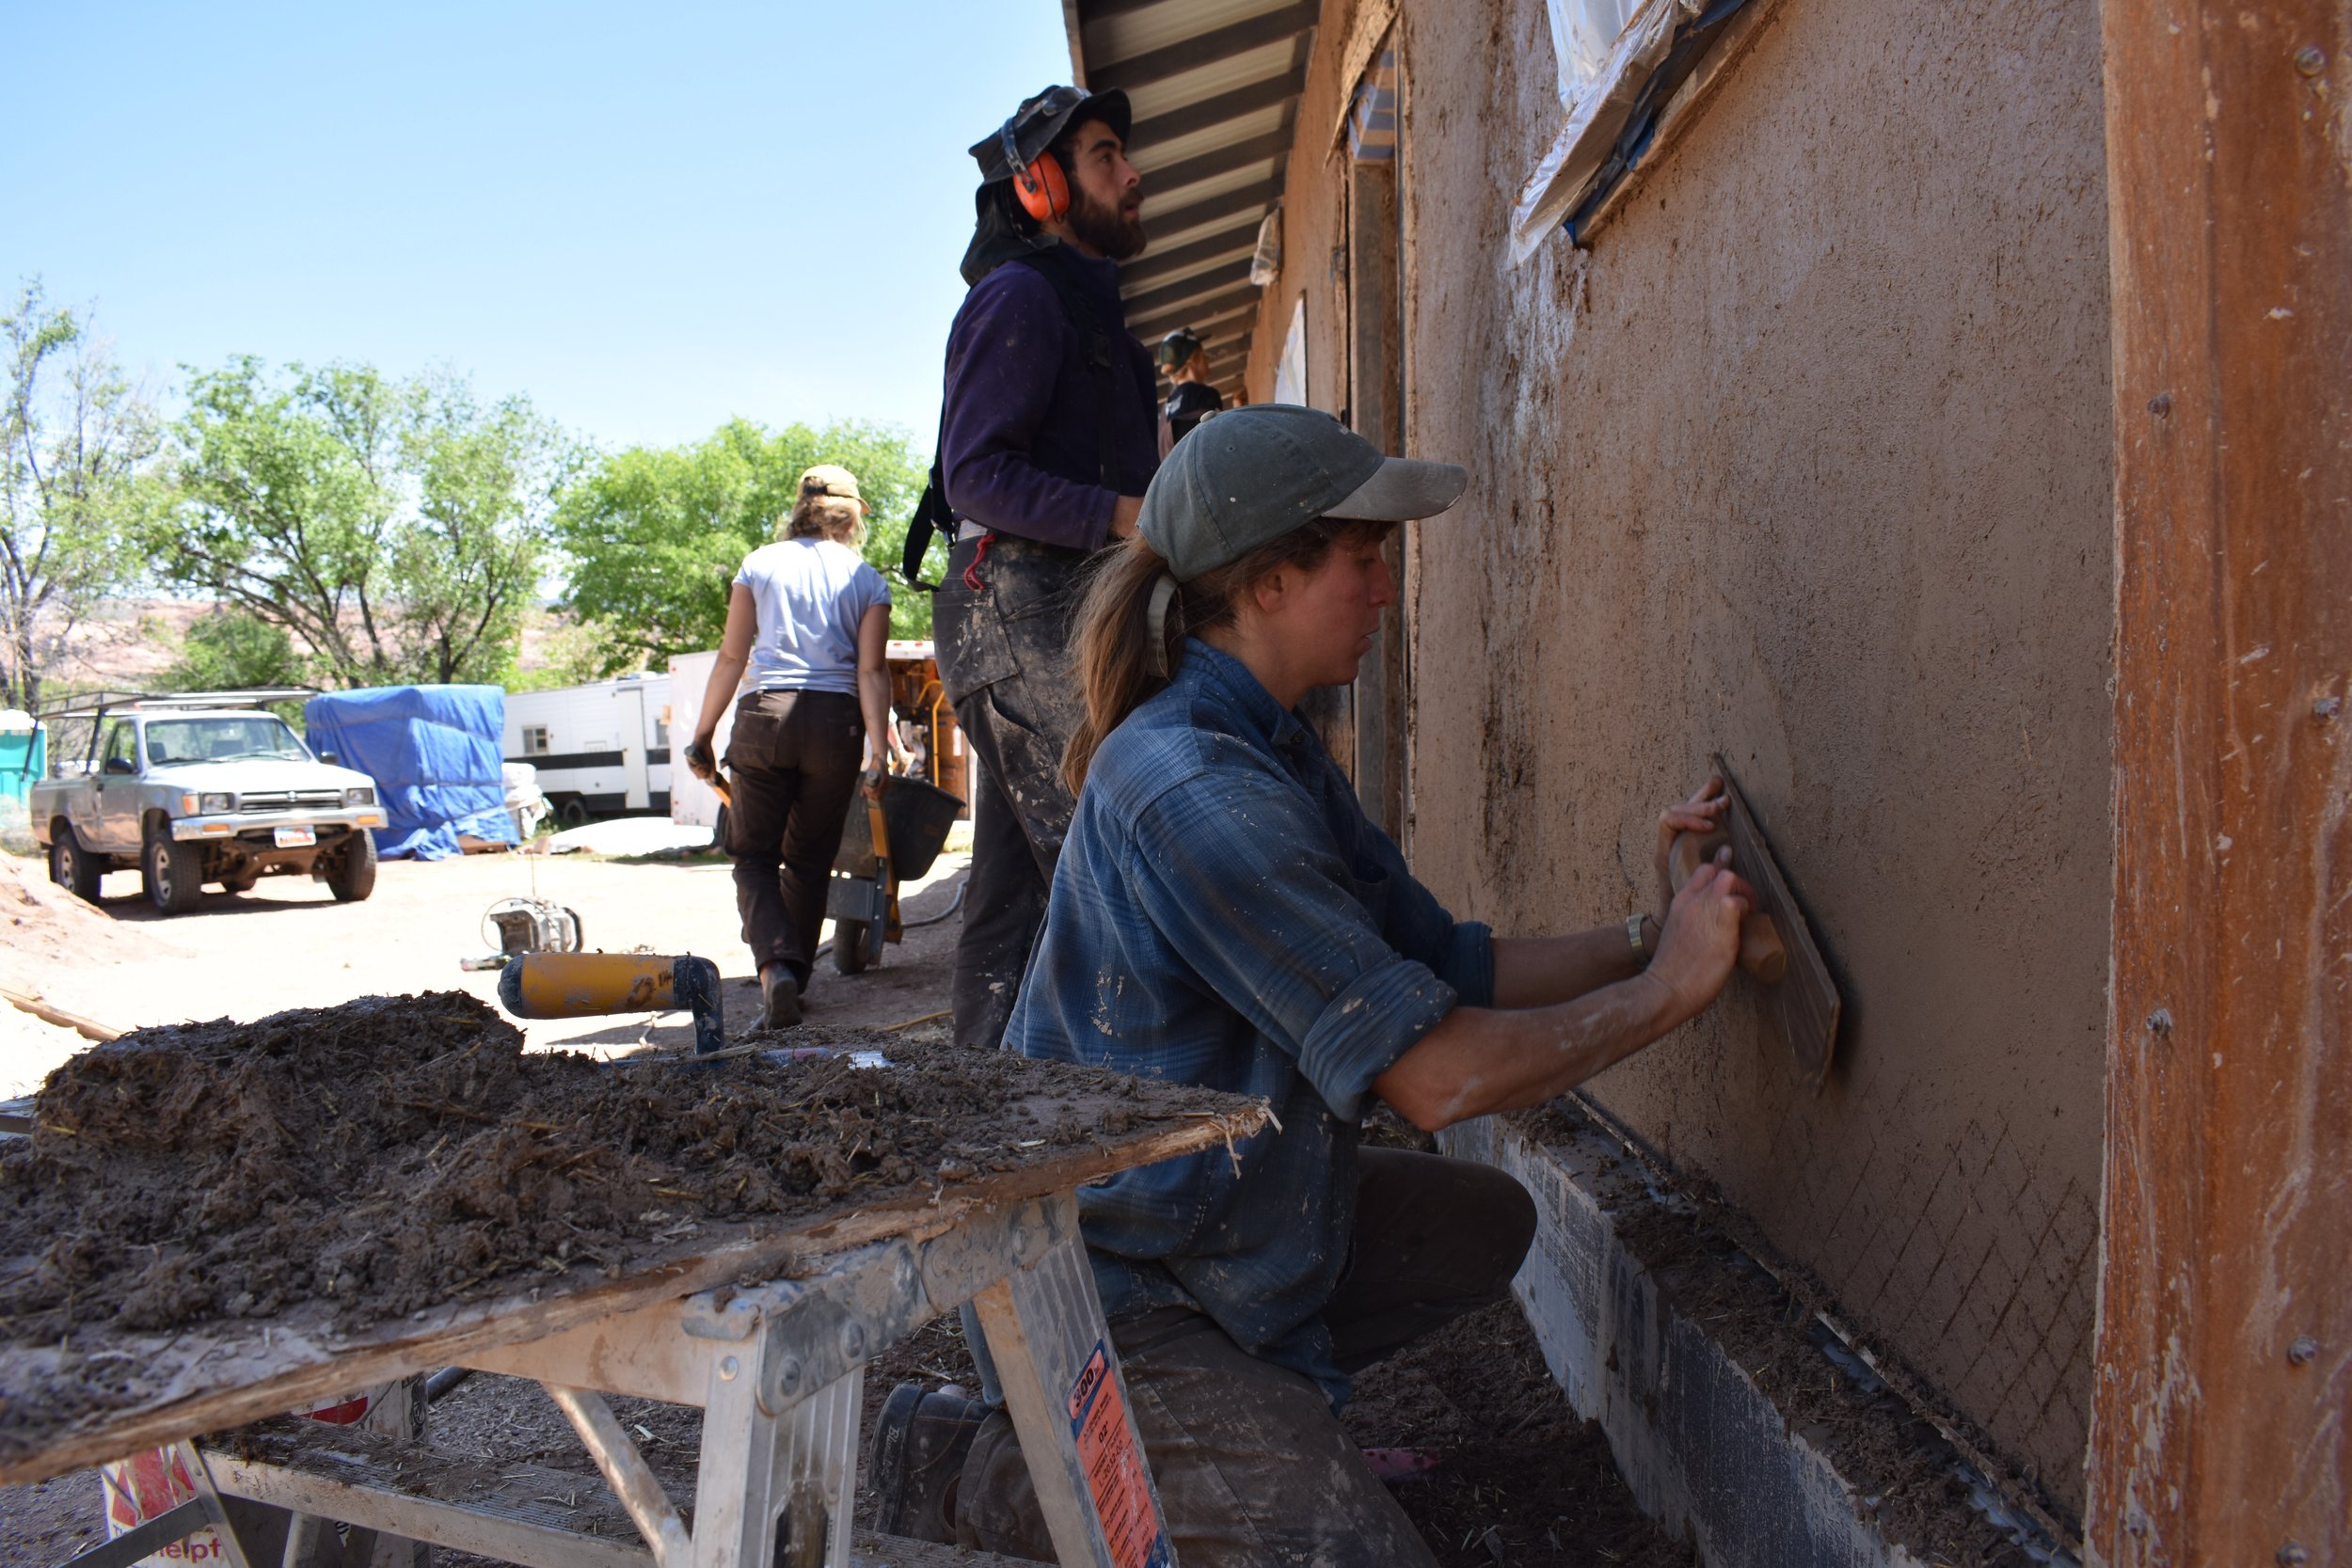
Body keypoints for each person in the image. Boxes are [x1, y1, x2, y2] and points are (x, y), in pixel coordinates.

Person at [871, 405, 1756, 1565]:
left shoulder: (1265, 742)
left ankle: (1254, 1419)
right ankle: (971, 1465)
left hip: (1218, 1225)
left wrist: (1653, 929)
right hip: (1117, 1295)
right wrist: (1674, 994)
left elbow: (1446, 967)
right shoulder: (1195, 785)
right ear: (1272, 579)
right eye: (1364, 557)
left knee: (1476, 1226)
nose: (1384, 589)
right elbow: (1439, 1079)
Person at [930, 84, 1162, 1051]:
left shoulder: (1114, 335)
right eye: (1105, 155)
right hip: (1012, 611)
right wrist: (1119, 513)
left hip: (1066, 616)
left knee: (1016, 892)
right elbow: (973, 473)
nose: (1132, 171)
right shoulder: (1019, 298)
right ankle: (1133, 1112)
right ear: (1039, 187)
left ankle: (980, 1103)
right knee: (1108, 861)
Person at [683, 465, 910, 1029]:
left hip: (767, 717)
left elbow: (733, 658)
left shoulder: (759, 564)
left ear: (800, 507)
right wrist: (880, 751)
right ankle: (794, 978)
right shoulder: (865, 577)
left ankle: (774, 971)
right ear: (853, 514)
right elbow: (872, 670)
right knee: (810, 861)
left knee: (755, 855)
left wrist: (703, 733)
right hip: (835, 726)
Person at [1154, 326, 1225, 455]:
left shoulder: (1165, 411)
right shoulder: (1205, 395)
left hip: (1177, 475)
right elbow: (1224, 440)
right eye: (1202, 354)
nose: (1207, 359)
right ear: (1193, 360)